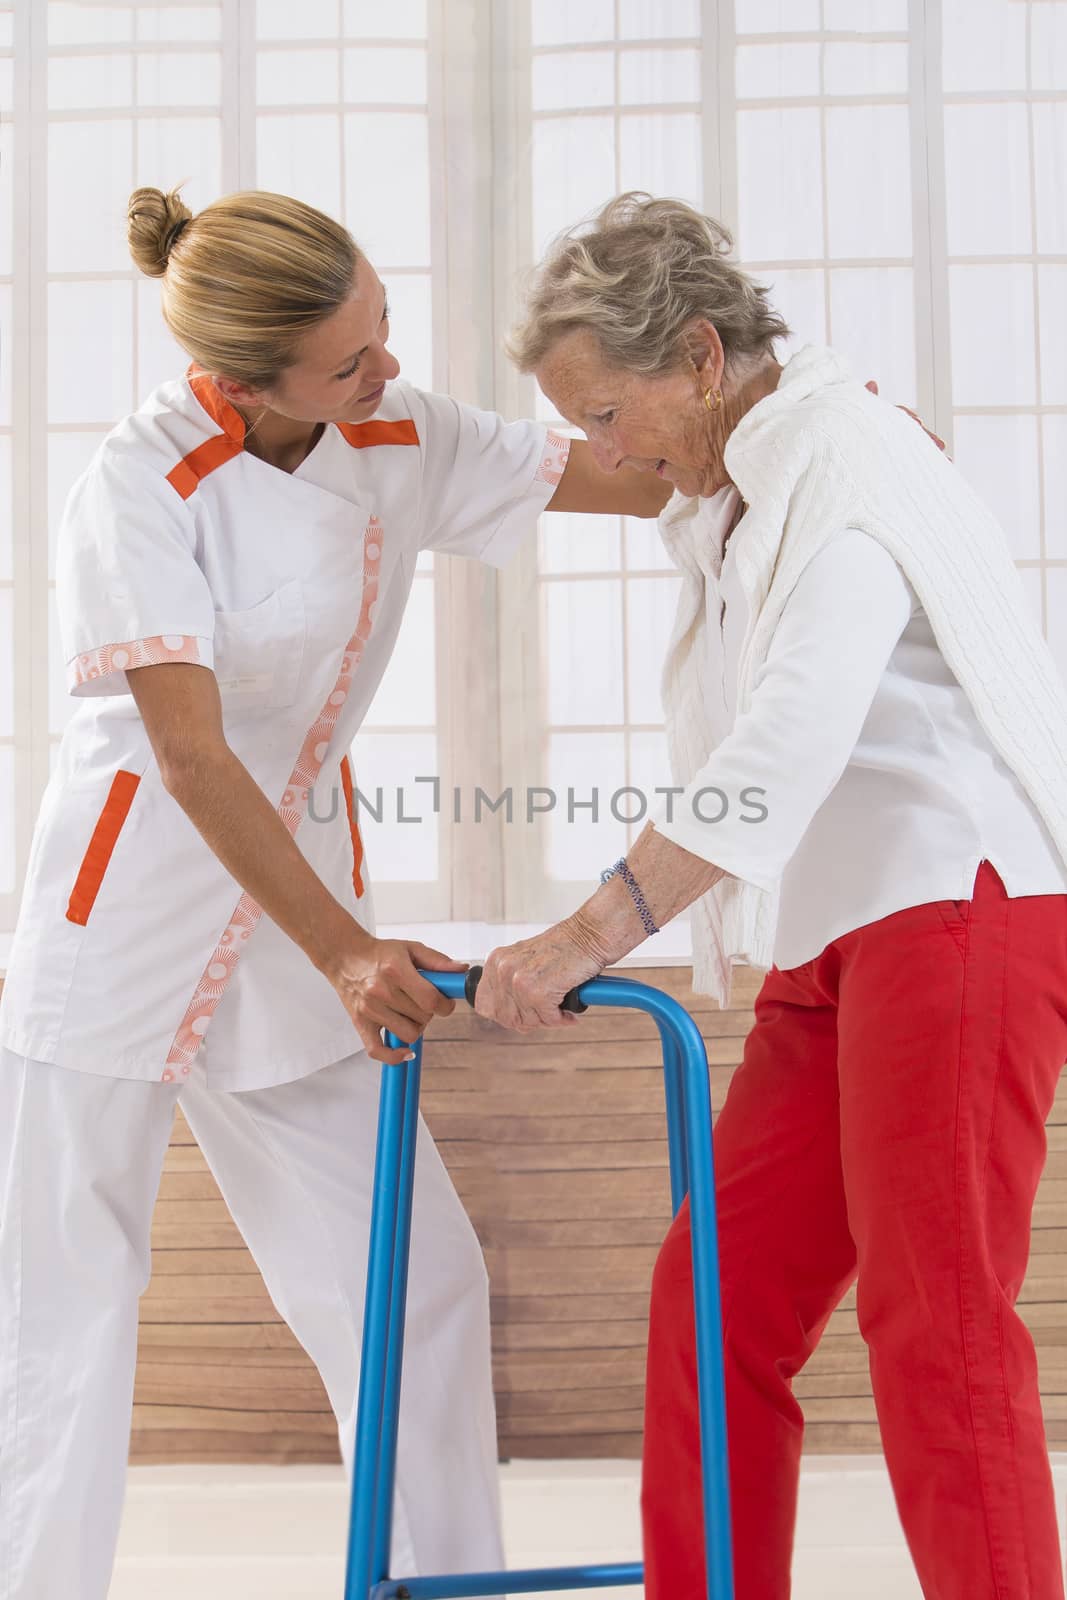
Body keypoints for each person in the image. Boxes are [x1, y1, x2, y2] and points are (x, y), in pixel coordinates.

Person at [0, 185, 671, 1600]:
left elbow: (628, 472)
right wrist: (349, 952)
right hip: (129, 910)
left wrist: (797, 443)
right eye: (352, 357)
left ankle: (426, 1585)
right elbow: (187, 753)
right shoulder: (139, 484)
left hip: (301, 919)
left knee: (417, 1285)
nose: (386, 369)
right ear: (237, 383)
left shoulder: (398, 430)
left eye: (384, 329)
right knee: (62, 1306)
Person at [472, 192, 1067, 1600]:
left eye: (609, 416)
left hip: (957, 909)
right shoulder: (743, 486)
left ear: (695, 354)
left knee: (939, 1323)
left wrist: (584, 934)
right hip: (835, 937)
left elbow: (784, 749)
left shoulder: (845, 465)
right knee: (714, 1305)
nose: (607, 458)